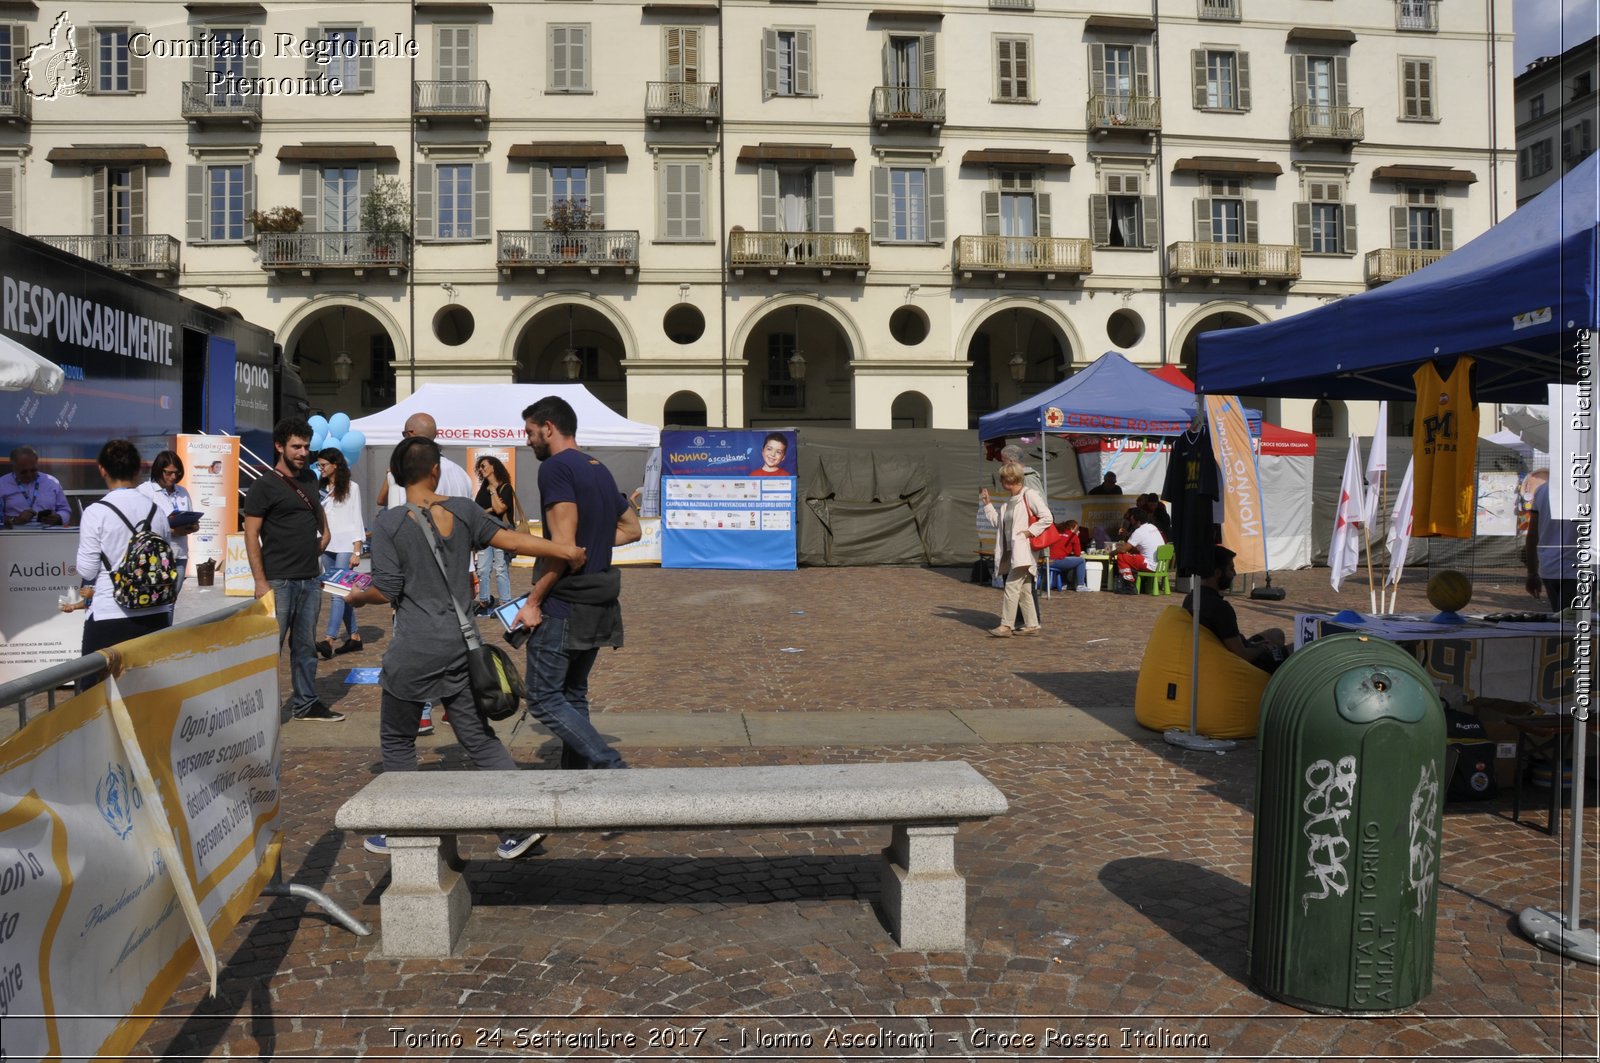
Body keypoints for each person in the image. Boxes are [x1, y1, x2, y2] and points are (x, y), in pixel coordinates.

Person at [345, 436, 588, 859]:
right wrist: (564, 550)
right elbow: (513, 542)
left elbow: (386, 589)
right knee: (477, 737)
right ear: (435, 470)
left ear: (397, 478)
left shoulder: (388, 524)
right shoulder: (462, 510)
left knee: (398, 738)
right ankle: (516, 826)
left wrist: (355, 597)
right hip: (460, 644)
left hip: (414, 648)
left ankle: (402, 826)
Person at [516, 396, 643, 770]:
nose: (527, 441)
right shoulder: (597, 468)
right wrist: (594, 542)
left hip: (565, 604)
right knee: (573, 694)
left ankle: (609, 764)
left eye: (529, 432)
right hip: (599, 600)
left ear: (548, 428)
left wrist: (534, 601)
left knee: (542, 697)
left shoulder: (556, 468)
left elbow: (563, 547)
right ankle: (577, 783)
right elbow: (632, 529)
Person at [244, 417, 341, 722]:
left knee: (305, 648)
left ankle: (306, 703)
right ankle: (261, 712)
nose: (302, 452)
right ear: (279, 447)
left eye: (306, 447)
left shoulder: (310, 480)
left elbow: (317, 508)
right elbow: (251, 534)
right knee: (270, 650)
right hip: (279, 581)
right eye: (296, 446)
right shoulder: (264, 485)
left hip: (310, 579)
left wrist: (325, 533)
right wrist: (261, 581)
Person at [74, 439, 175, 662]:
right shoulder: (156, 511)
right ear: (138, 468)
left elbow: (88, 570)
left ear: (102, 470)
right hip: (155, 611)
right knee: (147, 693)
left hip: (110, 613)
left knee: (95, 691)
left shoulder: (96, 512)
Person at [1182, 546, 1286, 673]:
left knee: (1276, 634)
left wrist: (1255, 645)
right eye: (1231, 569)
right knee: (1294, 651)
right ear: (1217, 573)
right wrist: (1263, 649)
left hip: (1223, 652)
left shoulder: (1192, 598)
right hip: (1241, 665)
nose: (1234, 574)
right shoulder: (1220, 609)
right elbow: (1243, 655)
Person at [979, 461, 1052, 637]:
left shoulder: (1030, 495)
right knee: (1025, 589)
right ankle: (1032, 624)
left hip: (1024, 552)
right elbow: (999, 523)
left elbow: (1047, 517)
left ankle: (1006, 625)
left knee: (1011, 587)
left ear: (1007, 480)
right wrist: (987, 505)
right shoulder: (1009, 502)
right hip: (1014, 552)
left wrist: (1029, 532)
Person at [315, 448, 366, 659]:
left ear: (335, 464)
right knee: (341, 592)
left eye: (323, 465)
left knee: (338, 591)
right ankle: (354, 637)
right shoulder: (320, 488)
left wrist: (357, 549)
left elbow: (356, 517)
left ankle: (329, 639)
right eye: (318, 465)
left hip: (346, 545)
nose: (320, 469)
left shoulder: (352, 488)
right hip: (326, 544)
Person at [376, 412, 473, 507]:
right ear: (435, 434)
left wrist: (394, 472)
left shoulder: (412, 473)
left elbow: (391, 502)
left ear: (410, 434)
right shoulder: (462, 474)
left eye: (404, 435)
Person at [137, 450, 200, 599]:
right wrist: (171, 530)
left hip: (179, 554)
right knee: (154, 598)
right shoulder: (145, 491)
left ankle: (168, 623)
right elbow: (139, 526)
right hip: (154, 555)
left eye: (176, 473)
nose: (173, 477)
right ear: (158, 470)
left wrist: (193, 526)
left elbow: (191, 517)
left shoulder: (182, 492)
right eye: (168, 473)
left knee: (172, 599)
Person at [1525, 480, 1580, 613]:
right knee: (1570, 625)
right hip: (1576, 570)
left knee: (1561, 622)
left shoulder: (1543, 490)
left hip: (1550, 568)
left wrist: (1532, 573)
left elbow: (1532, 535)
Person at [474, 455, 519, 615]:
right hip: (485, 533)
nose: (481, 469)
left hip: (502, 532)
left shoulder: (505, 487)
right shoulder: (482, 489)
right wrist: (491, 509)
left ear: (493, 467)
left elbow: (500, 510)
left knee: (500, 568)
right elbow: (477, 511)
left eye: (484, 466)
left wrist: (493, 491)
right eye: (479, 467)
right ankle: (484, 601)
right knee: (483, 569)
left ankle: (505, 602)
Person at [1, 445, 72, 528]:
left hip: (49, 534)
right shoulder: (2, 484)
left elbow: (65, 510)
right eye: (23, 472)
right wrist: (14, 520)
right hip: (16, 536)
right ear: (13, 467)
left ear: (37, 464)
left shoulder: (52, 482)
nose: (29, 475)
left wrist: (59, 518)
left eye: (33, 470)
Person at [1112, 509, 1163, 591]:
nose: (1131, 523)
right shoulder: (1152, 527)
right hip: (1161, 565)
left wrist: (1111, 553)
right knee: (1132, 555)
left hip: (1150, 565)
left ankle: (1129, 585)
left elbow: (1123, 550)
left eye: (1132, 521)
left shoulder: (1139, 531)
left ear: (1138, 522)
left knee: (1121, 557)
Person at [1046, 518, 1088, 591]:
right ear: (1072, 528)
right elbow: (1078, 554)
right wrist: (1076, 537)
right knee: (1081, 561)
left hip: (1047, 561)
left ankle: (1064, 583)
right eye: (1077, 529)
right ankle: (1080, 585)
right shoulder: (1073, 536)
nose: (1078, 531)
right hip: (1058, 561)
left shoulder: (1056, 533)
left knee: (1068, 561)